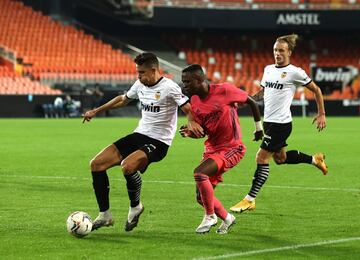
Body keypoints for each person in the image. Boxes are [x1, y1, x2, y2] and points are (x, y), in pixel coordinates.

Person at [82, 53, 203, 232]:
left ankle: (135, 207)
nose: (138, 76)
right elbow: (123, 99)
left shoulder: (169, 87)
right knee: (96, 164)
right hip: (139, 135)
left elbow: (187, 107)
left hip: (159, 141)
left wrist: (192, 121)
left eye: (142, 73)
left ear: (154, 70)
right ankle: (105, 215)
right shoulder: (140, 84)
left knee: (127, 166)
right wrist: (96, 110)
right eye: (138, 73)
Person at [230, 34, 327, 213]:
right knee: (280, 159)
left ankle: (249, 199)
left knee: (261, 157)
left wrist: (321, 113)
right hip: (269, 122)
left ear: (289, 52)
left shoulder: (295, 72)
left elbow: (317, 90)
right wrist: (245, 100)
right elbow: (262, 93)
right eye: (275, 50)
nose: (277, 53)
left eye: (281, 50)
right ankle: (315, 159)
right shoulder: (268, 69)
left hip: (281, 125)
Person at [180, 64, 263, 234]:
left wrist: (258, 127)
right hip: (212, 149)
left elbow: (252, 101)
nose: (184, 86)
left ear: (200, 80)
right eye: (183, 82)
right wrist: (190, 132)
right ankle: (227, 218)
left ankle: (210, 216)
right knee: (201, 197)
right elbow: (202, 132)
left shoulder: (224, 90)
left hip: (233, 147)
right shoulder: (194, 101)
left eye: (187, 82)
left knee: (199, 173)